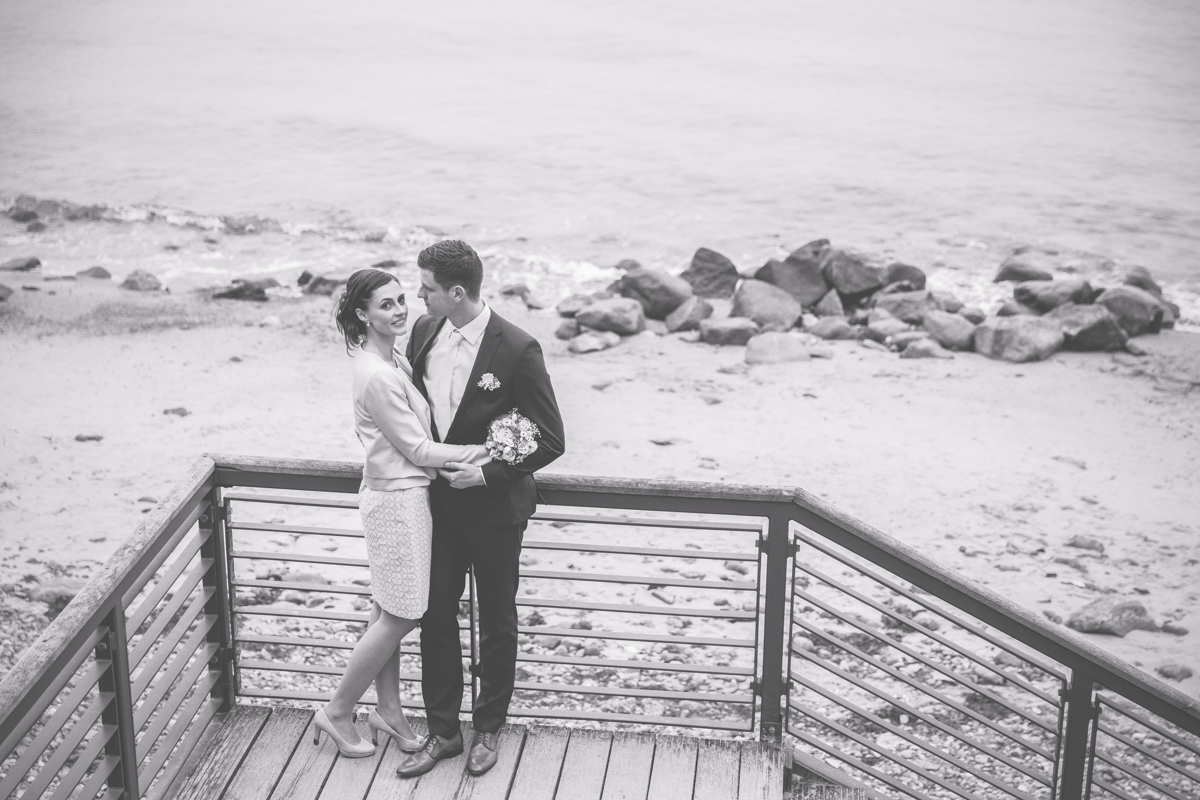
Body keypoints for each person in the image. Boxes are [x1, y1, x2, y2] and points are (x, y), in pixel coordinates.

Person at [397, 240, 565, 778]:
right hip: (438, 509)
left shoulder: (518, 348)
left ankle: (488, 728)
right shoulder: (424, 331)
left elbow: (551, 438)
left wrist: (489, 474)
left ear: (456, 292)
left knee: (496, 622)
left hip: (496, 513)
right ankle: (443, 732)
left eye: (425, 287)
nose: (417, 296)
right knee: (435, 617)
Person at [315, 268, 490, 758]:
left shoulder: (388, 359)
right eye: (386, 305)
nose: (399, 310)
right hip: (397, 501)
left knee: (387, 609)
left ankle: (388, 712)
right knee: (405, 614)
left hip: (402, 495)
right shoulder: (376, 375)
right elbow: (416, 447)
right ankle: (337, 711)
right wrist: (482, 451)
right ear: (361, 314)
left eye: (400, 300)